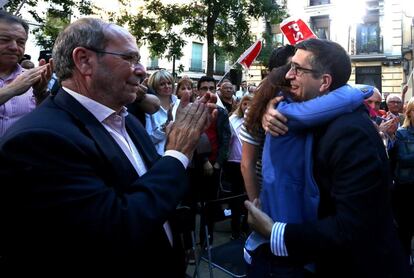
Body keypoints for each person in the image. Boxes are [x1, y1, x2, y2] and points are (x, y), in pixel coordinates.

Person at [0, 18, 216, 277]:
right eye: (129, 58)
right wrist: (176, 153)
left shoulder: (127, 120)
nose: (141, 71)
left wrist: (184, 149)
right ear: (84, 61)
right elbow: (117, 229)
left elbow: (151, 192)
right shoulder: (39, 139)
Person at [246, 38, 411, 277]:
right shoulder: (301, 119)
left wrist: (276, 233)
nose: (289, 75)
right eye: (290, 67)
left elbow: (354, 225)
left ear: (324, 82)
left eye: (298, 69)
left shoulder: (350, 133)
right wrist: (266, 109)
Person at [0, 11, 52, 136]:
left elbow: (46, 121)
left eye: (20, 42)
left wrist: (40, 93)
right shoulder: (23, 81)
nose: (14, 47)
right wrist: (12, 89)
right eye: (4, 40)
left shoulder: (32, 78)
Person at [390, 97, 414, 262]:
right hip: (406, 190)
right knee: (405, 232)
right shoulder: (401, 133)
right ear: (410, 113)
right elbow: (402, 160)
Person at [145, 69, 177, 155]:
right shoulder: (149, 108)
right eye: (162, 84)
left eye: (169, 83)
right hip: (160, 156)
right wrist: (165, 126)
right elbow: (148, 139)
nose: (167, 86)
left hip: (180, 154)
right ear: (154, 86)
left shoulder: (179, 103)